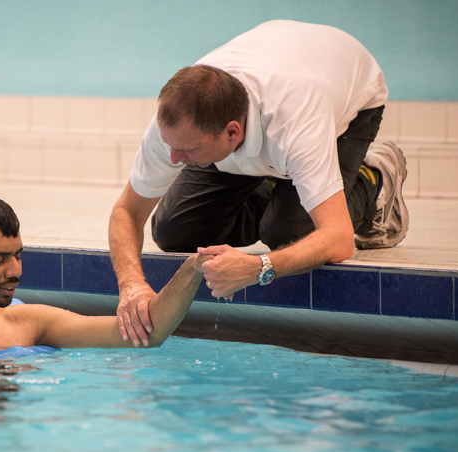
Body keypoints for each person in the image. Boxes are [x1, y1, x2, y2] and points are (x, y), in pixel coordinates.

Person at [109, 20, 409, 347]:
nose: (174, 158)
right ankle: (295, 185)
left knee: (289, 234)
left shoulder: (295, 123)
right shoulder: (179, 124)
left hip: (351, 91)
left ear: (232, 132)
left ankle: (371, 179)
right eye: (171, 145)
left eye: (187, 150)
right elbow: (127, 211)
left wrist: (258, 267)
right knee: (174, 230)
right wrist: (131, 286)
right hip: (274, 88)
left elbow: (338, 240)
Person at [0, 192, 208, 365]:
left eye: (18, 255)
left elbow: (149, 333)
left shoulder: (30, 323)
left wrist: (195, 267)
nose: (15, 270)